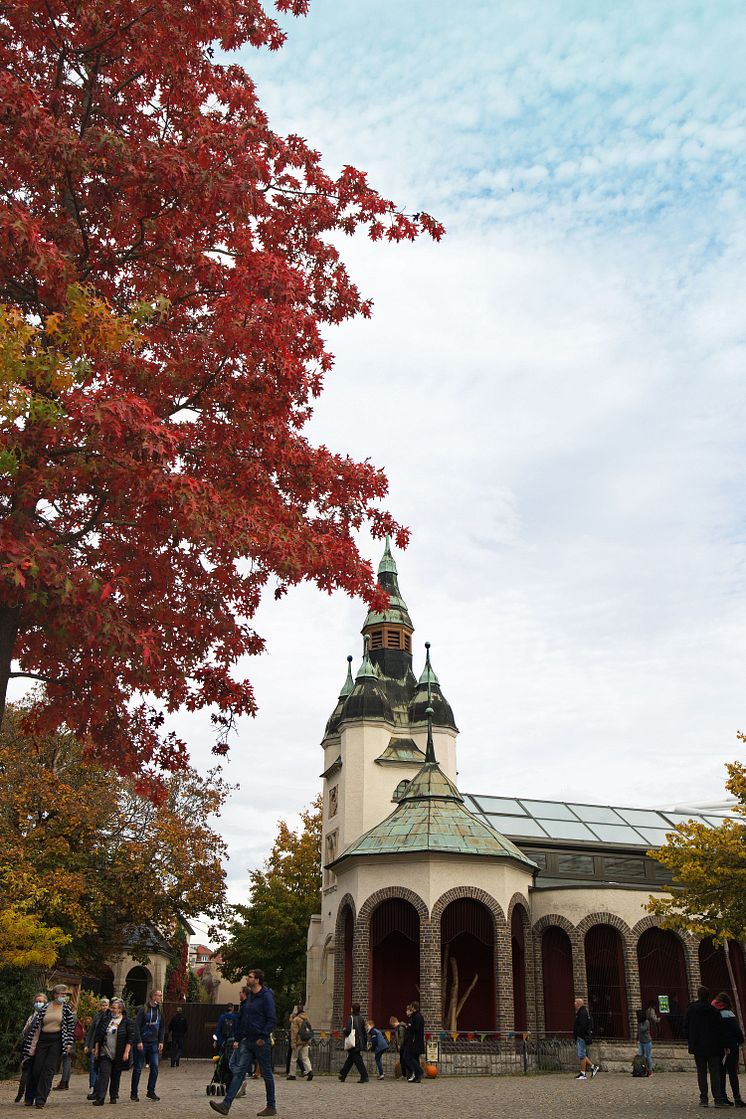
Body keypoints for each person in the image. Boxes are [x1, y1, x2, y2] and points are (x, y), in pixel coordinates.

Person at [209, 967, 277, 1117]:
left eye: (250, 977)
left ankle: (271, 1106)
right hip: (248, 1040)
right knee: (239, 1072)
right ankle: (226, 1105)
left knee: (266, 1074)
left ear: (257, 980)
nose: (247, 979)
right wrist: (239, 1038)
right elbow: (244, 1019)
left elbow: (271, 1019)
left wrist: (263, 1036)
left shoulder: (266, 996)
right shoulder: (251, 997)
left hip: (260, 1041)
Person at [23, 984, 76, 1109]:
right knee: (37, 1069)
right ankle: (35, 1092)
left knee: (48, 1070)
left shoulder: (66, 1009)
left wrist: (68, 1044)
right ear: (55, 994)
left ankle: (40, 1099)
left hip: (57, 1041)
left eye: (65, 995)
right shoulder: (46, 1007)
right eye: (62, 995)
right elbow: (37, 1024)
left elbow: (70, 1028)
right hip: (43, 1040)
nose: (64, 997)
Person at [685, 984, 728, 1107]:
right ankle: (718, 1099)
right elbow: (720, 1030)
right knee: (715, 1072)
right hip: (713, 1046)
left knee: (701, 1072)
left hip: (698, 1046)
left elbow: (686, 1027)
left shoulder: (691, 1010)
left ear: (698, 995)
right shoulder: (713, 1011)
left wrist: (691, 1040)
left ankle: (704, 1099)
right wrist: (722, 1044)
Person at [93, 997, 139, 1106]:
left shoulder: (127, 1022)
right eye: (112, 1007)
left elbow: (130, 1039)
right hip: (106, 1051)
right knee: (104, 1074)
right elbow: (98, 1035)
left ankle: (113, 1096)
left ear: (120, 1009)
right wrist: (96, 1048)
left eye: (115, 1008)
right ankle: (100, 1098)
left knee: (115, 1075)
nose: (112, 1009)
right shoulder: (106, 1020)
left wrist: (126, 1052)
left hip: (119, 1053)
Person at [131, 988, 165, 1102]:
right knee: (138, 1069)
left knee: (154, 1067)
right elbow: (137, 1026)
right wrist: (139, 1041)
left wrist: (161, 1041)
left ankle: (151, 1091)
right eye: (158, 995)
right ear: (152, 996)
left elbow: (162, 1026)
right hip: (143, 1042)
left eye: (161, 995)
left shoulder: (160, 1009)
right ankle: (134, 1093)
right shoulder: (143, 1009)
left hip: (154, 1043)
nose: (160, 997)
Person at [713, 992, 745, 1107]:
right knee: (732, 1073)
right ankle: (737, 1098)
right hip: (731, 1047)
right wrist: (741, 1040)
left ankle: (722, 1096)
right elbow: (736, 1030)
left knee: (721, 1073)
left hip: (718, 1047)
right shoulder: (728, 1014)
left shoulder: (714, 1014)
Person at [15, 994, 47, 1103]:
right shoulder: (32, 1016)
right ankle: (26, 1098)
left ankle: (37, 1097)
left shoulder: (46, 1017)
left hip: (40, 1049)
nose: (38, 1003)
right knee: (27, 1073)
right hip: (29, 1049)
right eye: (37, 1001)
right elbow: (24, 1032)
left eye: (41, 1001)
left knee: (37, 1073)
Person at [85, 998, 111, 1100]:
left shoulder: (110, 1017)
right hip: (94, 1045)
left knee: (102, 1068)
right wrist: (87, 1044)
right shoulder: (97, 1016)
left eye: (106, 1005)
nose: (104, 1007)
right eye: (102, 1005)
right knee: (93, 1066)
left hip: (104, 1046)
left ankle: (99, 1088)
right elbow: (91, 1031)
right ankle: (92, 1086)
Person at [338, 1001, 369, 1084]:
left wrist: (344, 1031)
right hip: (359, 1041)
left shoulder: (351, 1018)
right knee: (351, 1059)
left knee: (358, 1060)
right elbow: (364, 1031)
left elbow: (348, 1030)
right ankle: (343, 1074)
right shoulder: (362, 1019)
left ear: (352, 1009)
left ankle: (364, 1076)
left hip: (353, 1041)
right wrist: (365, 1042)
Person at [572, 996, 599, 1081]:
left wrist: (579, 1034)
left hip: (582, 1037)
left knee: (582, 1055)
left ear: (579, 1004)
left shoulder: (582, 1012)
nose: (574, 1004)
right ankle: (593, 1067)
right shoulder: (582, 1012)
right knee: (582, 1054)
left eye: (575, 1002)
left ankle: (583, 1073)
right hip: (582, 1036)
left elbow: (582, 1025)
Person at [288, 1004, 313, 1082]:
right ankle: (309, 1071)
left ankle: (292, 1074)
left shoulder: (296, 1020)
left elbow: (294, 1032)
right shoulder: (306, 1018)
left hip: (298, 1041)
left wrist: (293, 1043)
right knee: (305, 1057)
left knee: (294, 1058)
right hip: (305, 1041)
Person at [403, 1002, 425, 1084]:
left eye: (411, 1007)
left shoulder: (417, 1017)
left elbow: (415, 1028)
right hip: (416, 1041)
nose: (410, 1009)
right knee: (415, 1058)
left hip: (415, 1041)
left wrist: (408, 1026)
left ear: (413, 1007)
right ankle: (417, 1077)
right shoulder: (417, 1016)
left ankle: (419, 1071)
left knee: (410, 1057)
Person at [637, 1007, 653, 1076]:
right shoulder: (639, 1023)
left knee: (648, 1056)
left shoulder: (646, 1022)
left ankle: (650, 1070)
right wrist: (637, 1038)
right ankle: (642, 1070)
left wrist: (640, 1023)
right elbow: (638, 1032)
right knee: (641, 1056)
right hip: (641, 1041)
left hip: (647, 1042)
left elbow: (642, 1029)